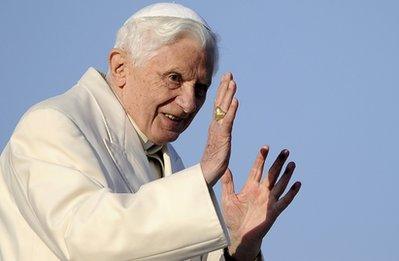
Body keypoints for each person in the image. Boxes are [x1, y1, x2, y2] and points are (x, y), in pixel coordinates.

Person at [0, 3, 301, 260]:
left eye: (200, 88)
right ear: (120, 68)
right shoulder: (53, 124)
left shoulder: (168, 161)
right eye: (174, 78)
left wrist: (236, 248)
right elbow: (86, 243)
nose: (187, 104)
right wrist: (202, 175)